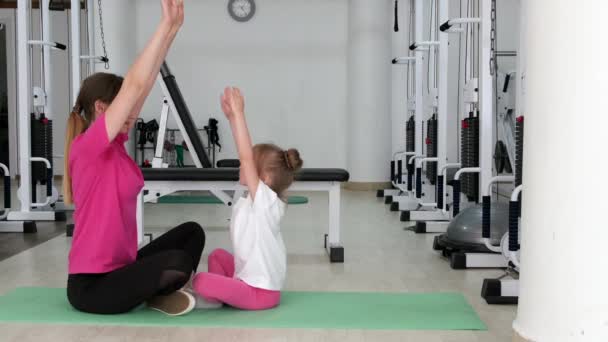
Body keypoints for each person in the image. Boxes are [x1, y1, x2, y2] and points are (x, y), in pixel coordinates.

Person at [64, 0, 204, 316]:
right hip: (92, 286)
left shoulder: (115, 144)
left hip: (121, 269)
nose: (134, 116)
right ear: (102, 109)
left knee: (192, 233)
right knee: (177, 263)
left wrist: (172, 30)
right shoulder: (88, 147)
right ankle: (153, 291)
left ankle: (151, 292)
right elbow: (135, 83)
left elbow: (144, 85)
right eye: (124, 111)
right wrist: (161, 25)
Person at [192, 87, 303, 310]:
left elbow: (245, 154)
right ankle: (225, 294)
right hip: (246, 281)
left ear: (265, 178)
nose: (241, 164)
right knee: (217, 256)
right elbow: (244, 154)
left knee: (201, 281)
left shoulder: (266, 203)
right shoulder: (255, 199)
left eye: (248, 165)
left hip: (260, 293)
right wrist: (231, 118)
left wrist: (240, 114)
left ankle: (220, 294)